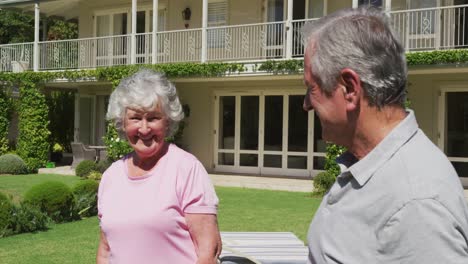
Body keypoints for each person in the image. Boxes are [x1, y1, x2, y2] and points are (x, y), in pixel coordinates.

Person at [302, 7, 468, 264]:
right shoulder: (368, 165)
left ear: (349, 88)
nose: (306, 105)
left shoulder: (416, 203)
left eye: (311, 88)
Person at [96, 69, 222, 264]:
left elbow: (208, 252)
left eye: (153, 118)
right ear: (122, 122)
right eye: (135, 118)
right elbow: (105, 251)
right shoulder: (111, 177)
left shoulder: (187, 169)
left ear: (167, 121)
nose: (144, 128)